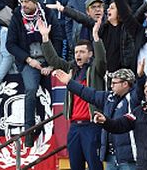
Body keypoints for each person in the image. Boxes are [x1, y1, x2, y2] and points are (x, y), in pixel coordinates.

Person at [40, 20, 106, 170]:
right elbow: (54, 60)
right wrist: (45, 38)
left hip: (92, 125)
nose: (78, 55)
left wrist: (96, 37)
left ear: (90, 54)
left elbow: (102, 60)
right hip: (75, 127)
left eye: (82, 52)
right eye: (76, 52)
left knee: (95, 165)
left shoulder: (95, 69)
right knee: (75, 166)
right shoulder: (72, 69)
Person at [54, 65, 144, 170]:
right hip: (111, 157)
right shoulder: (108, 97)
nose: (111, 85)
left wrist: (141, 77)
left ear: (125, 84)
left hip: (128, 158)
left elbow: (140, 90)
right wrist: (70, 83)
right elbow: (87, 93)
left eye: (115, 83)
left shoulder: (134, 98)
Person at [5, 0, 64, 147]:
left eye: (26, 2)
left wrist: (53, 64)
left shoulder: (48, 14)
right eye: (22, 1)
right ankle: (29, 130)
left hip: (49, 58)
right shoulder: (17, 16)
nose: (23, 5)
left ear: (35, 1)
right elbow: (10, 44)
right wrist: (28, 60)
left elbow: (58, 38)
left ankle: (58, 129)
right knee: (30, 89)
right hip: (29, 60)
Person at [52, 0, 138, 73]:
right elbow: (83, 19)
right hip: (102, 72)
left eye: (112, 8)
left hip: (123, 74)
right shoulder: (102, 28)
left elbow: (127, 13)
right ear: (87, 11)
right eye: (93, 7)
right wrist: (64, 9)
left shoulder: (127, 28)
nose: (107, 9)